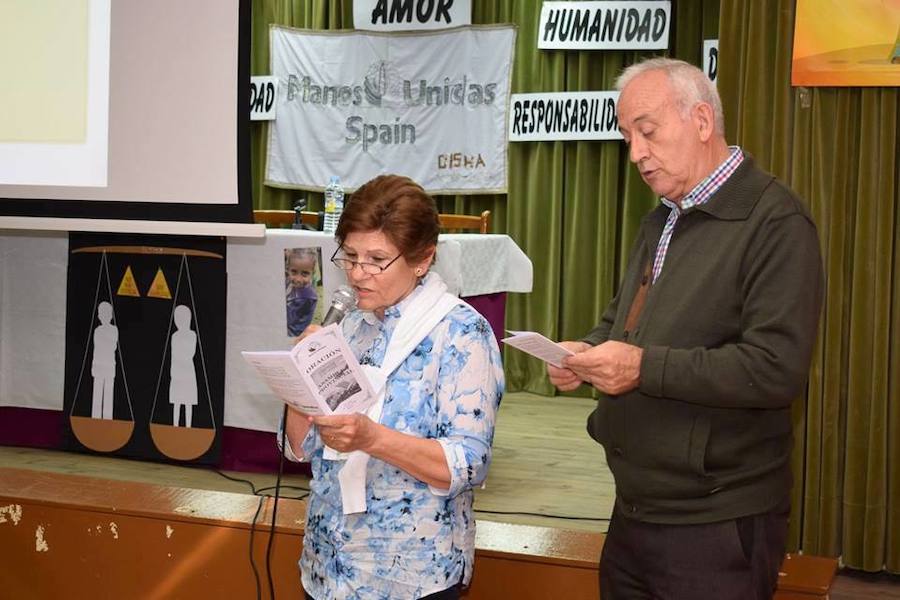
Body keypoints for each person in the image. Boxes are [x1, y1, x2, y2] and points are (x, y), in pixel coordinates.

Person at [547, 58, 824, 600]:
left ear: (701, 120)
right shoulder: (662, 218)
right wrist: (589, 350)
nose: (636, 154)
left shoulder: (777, 222)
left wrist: (642, 367)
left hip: (717, 522)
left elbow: (774, 369)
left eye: (647, 132)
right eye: (627, 136)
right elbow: (626, 321)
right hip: (635, 507)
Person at [279, 174, 504, 600]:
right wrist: (297, 381)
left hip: (409, 575)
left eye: (376, 260)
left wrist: (372, 438)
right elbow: (300, 448)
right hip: (329, 566)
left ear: (422, 259)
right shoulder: (348, 325)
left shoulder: (460, 334)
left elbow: (468, 464)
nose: (358, 273)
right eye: (350, 256)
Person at [169, 304, 198, 427]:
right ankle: (175, 426)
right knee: (177, 401)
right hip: (176, 370)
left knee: (188, 401)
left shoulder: (192, 335)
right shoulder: (174, 336)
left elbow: (190, 353)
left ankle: (188, 427)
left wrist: (181, 356)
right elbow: (173, 354)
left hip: (187, 371)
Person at [91, 301, 118, 419]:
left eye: (101, 313)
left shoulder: (112, 330)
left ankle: (106, 418)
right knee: (99, 392)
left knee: (107, 393)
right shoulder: (98, 330)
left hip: (107, 365)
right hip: (101, 365)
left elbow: (112, 346)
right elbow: (96, 349)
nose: (99, 316)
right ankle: (97, 418)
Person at [285, 247, 319, 337]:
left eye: (304, 274)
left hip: (295, 334)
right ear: (288, 269)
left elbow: (288, 320)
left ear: (313, 273)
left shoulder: (306, 297)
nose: (298, 279)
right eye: (294, 272)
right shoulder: (289, 282)